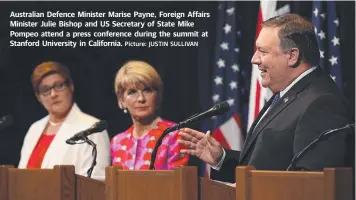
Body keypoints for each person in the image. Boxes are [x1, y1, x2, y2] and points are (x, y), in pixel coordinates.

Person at [178, 13, 353, 183]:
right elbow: (269, 166)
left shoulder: (321, 103)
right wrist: (222, 159)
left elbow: (308, 183)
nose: (254, 59)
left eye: (262, 51)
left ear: (292, 56)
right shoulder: (289, 93)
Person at [18, 61, 111, 180]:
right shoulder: (34, 129)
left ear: (71, 86)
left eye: (59, 86)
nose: (53, 94)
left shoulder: (92, 128)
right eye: (45, 90)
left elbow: (96, 183)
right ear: (38, 97)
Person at [111, 60, 189, 170]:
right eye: (132, 92)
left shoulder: (175, 135)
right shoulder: (117, 142)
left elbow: (179, 183)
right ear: (121, 100)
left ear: (158, 96)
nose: (141, 99)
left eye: (147, 90)